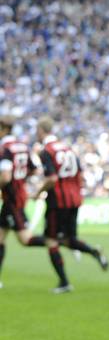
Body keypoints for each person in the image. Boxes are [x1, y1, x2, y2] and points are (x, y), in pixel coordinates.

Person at [34, 117, 109, 294]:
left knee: (51, 240)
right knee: (69, 240)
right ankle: (93, 251)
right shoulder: (68, 149)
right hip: (74, 200)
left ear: (41, 130)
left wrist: (37, 193)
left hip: (57, 201)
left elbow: (52, 179)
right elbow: (80, 176)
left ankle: (64, 282)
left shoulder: (46, 151)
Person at [0, 115, 71, 290]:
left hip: (12, 200)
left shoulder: (5, 149)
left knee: (25, 240)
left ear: (3, 129)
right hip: (18, 196)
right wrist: (21, 180)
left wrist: (11, 182)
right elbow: (33, 169)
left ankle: (59, 243)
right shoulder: (22, 146)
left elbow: (6, 177)